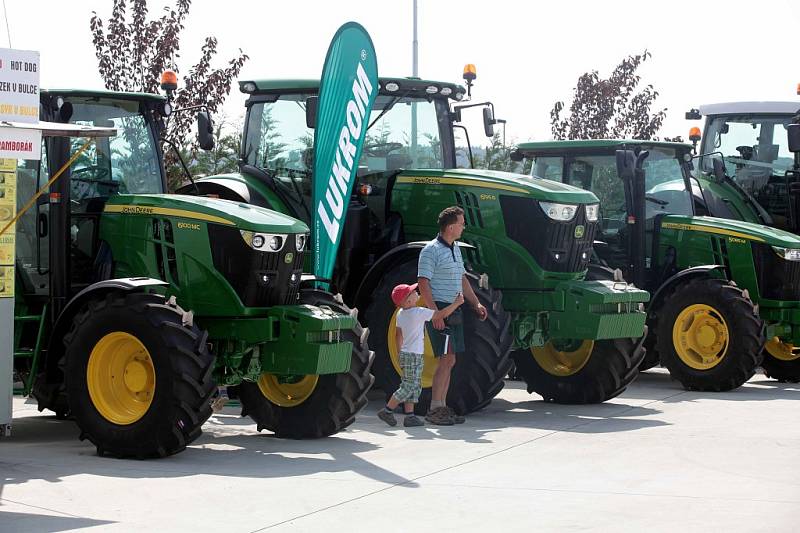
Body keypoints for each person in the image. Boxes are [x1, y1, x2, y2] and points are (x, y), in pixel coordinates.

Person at [418, 206, 487, 426]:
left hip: (454, 310)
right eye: (461, 223)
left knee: (450, 359)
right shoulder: (430, 250)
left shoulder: (455, 248)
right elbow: (423, 283)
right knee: (445, 359)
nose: (463, 226)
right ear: (450, 227)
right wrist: (434, 313)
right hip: (441, 309)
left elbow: (462, 279)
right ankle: (434, 408)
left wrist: (475, 303)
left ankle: (441, 407)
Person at [377, 283, 464, 428]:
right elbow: (440, 315)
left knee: (414, 386)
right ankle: (387, 410)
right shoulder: (418, 312)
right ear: (408, 301)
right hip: (413, 355)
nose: (416, 291)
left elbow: (398, 335)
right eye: (412, 292)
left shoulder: (400, 313)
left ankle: (410, 416)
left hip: (407, 354)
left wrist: (399, 353)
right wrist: (457, 303)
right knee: (408, 386)